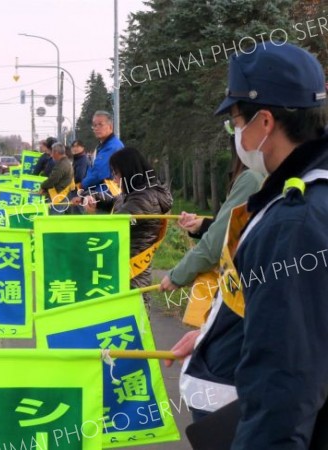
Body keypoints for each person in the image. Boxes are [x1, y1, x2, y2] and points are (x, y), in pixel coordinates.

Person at [165, 42, 328, 449]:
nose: (234, 134)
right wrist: (210, 337)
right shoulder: (299, 193)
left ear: (266, 122)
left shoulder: (296, 221)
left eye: (235, 121)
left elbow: (284, 384)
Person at [159, 137, 264, 296]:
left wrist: (179, 275)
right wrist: (203, 225)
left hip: (248, 286)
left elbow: (220, 238)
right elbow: (243, 225)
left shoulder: (252, 178)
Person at [83, 147, 172, 304]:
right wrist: (94, 198)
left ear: (129, 171)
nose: (114, 179)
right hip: (125, 268)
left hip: (132, 273)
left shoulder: (144, 198)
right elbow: (116, 200)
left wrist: (91, 215)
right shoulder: (137, 191)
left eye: (116, 173)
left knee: (135, 321)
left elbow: (116, 225)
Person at [78, 111, 123, 194]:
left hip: (108, 195)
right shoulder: (102, 146)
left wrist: (82, 185)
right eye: (94, 125)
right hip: (101, 194)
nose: (96, 128)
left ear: (110, 126)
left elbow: (99, 173)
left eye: (100, 124)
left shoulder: (112, 146)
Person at [39, 142, 74, 208]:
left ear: (56, 152)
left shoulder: (62, 165)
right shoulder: (65, 162)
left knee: (54, 216)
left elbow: (52, 179)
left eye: (52, 153)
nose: (51, 155)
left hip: (58, 197)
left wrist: (42, 186)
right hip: (62, 195)